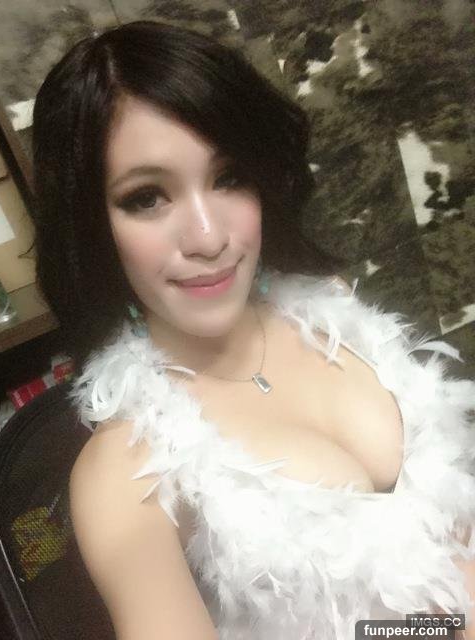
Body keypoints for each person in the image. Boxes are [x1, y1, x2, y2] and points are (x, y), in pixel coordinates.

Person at [30, 19, 475, 640]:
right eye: (147, 197)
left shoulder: (334, 313)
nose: (208, 237)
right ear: (92, 225)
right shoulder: (126, 472)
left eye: (229, 177)